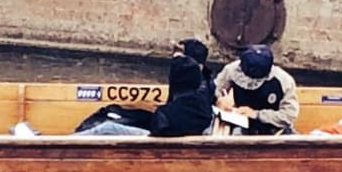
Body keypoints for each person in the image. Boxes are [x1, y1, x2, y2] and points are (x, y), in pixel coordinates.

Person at [77, 55, 214, 138]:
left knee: (108, 128)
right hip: (171, 138)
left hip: (159, 144)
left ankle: (65, 142)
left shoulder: (170, 113)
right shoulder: (201, 104)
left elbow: (159, 129)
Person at [213, 43, 299, 135]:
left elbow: (288, 115)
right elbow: (213, 89)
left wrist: (256, 114)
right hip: (239, 126)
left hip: (273, 131)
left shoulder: (283, 80)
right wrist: (219, 100)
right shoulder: (232, 70)